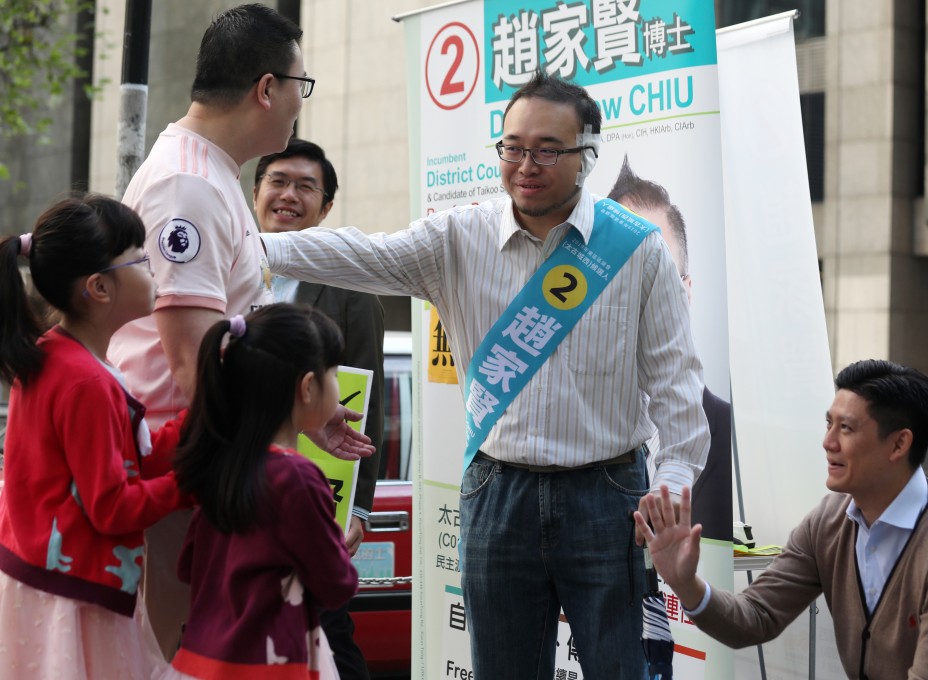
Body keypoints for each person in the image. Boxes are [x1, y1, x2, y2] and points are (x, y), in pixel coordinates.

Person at [262, 71, 711, 678]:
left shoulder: (636, 250)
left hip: (608, 499)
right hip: (498, 496)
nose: (527, 164)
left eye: (549, 149)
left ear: (588, 156)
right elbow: (361, 254)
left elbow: (677, 389)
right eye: (513, 148)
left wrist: (673, 479)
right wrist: (248, 245)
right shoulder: (459, 237)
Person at [107, 4, 371, 655]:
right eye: (298, 88)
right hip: (186, 478)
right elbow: (196, 366)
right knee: (182, 657)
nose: (296, 107)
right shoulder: (187, 187)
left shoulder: (210, 176)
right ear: (266, 88)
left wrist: (307, 413)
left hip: (206, 469)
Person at [635, 359, 928, 679]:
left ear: (899, 444)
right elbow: (755, 617)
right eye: (828, 423)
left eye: (846, 428)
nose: (828, 441)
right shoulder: (830, 520)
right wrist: (686, 584)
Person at [0, 195, 191, 678]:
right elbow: (111, 506)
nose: (154, 270)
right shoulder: (87, 381)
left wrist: (195, 423)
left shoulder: (55, 356)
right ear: (100, 287)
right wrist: (191, 483)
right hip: (74, 596)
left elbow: (119, 465)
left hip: (48, 580)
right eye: (142, 258)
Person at [158, 304, 358, 680]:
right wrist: (335, 544)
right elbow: (336, 586)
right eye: (334, 372)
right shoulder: (298, 477)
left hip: (198, 662)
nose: (337, 382)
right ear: (308, 387)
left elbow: (189, 566)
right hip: (269, 666)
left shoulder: (220, 463)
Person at [253, 138, 384, 680]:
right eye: (277, 182)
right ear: (255, 192)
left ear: (326, 207)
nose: (288, 195)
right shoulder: (224, 276)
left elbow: (364, 405)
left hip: (312, 499)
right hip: (236, 492)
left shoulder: (352, 291)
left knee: (327, 634)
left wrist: (358, 509)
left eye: (306, 187)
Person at [608, 155, 732, 541]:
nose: (642, 297)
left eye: (661, 277)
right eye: (621, 277)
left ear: (687, 291)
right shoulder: (570, 427)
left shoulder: (730, 434)